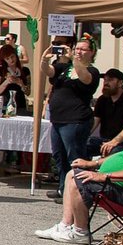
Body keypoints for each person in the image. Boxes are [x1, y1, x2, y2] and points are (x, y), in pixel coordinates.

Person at [33, 97, 123, 244]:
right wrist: (92, 164)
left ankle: (80, 231)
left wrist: (103, 176)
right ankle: (65, 225)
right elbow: (121, 156)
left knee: (79, 180)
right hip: (119, 185)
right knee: (73, 173)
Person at [42, 39, 100, 200]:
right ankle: (63, 189)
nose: (79, 51)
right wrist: (44, 59)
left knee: (75, 157)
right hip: (58, 119)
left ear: (92, 52)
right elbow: (49, 72)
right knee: (59, 156)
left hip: (76, 120)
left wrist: (73, 59)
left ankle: (79, 192)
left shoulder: (92, 71)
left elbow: (85, 78)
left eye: (83, 49)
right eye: (77, 48)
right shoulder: (65, 68)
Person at [88, 68, 123, 157]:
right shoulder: (102, 99)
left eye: (110, 80)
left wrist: (115, 141)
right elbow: (95, 121)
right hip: (104, 140)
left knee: (114, 152)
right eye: (105, 80)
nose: (106, 83)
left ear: (120, 83)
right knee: (83, 145)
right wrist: (84, 136)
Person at [0, 44, 30, 116]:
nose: (11, 60)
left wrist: (21, 84)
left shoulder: (25, 70)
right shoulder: (0, 70)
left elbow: (28, 92)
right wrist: (7, 81)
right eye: (7, 58)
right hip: (4, 105)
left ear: (16, 55)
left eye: (12, 57)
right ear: (4, 60)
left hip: (20, 105)